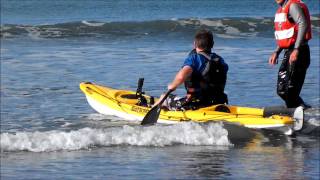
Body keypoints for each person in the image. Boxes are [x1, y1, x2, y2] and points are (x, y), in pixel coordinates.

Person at [155, 29, 228, 110]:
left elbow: (181, 77)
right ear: (212, 44)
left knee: (164, 97)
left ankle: (149, 110)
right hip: (218, 102)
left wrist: (172, 86)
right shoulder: (220, 60)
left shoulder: (194, 58)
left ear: (194, 44)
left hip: (196, 104)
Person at [269, 0, 312, 108]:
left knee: (290, 90)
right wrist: (277, 52)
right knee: (282, 90)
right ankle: (301, 109)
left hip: (299, 51)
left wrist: (296, 49)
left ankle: (297, 115)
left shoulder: (292, 6)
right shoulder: (281, 10)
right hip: (288, 51)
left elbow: (303, 24)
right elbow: (286, 34)